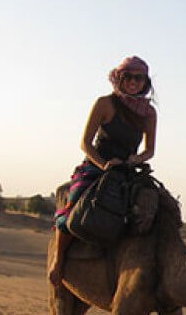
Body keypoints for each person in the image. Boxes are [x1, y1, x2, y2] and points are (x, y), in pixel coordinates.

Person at [48, 56, 158, 286]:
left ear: (145, 82)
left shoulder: (148, 113)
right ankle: (58, 261)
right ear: (119, 78)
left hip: (127, 170)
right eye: (128, 77)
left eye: (139, 78)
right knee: (76, 202)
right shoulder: (105, 104)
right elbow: (85, 143)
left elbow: (149, 150)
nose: (133, 82)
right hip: (97, 166)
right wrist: (103, 164)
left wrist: (133, 159)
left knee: (154, 207)